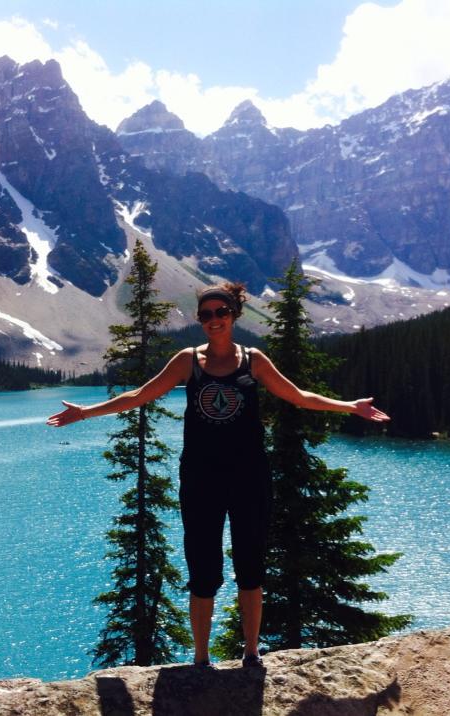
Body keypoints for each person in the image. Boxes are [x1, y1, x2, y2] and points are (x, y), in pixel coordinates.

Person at [47, 282, 390, 668]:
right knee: (203, 569)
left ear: (234, 315)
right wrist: (85, 412)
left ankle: (251, 653)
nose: (213, 320)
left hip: (250, 477)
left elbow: (298, 396)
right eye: (206, 314)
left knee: (251, 567)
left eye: (220, 313)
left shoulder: (254, 361)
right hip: (201, 479)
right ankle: (200, 659)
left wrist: (350, 407)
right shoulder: (187, 361)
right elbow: (139, 396)